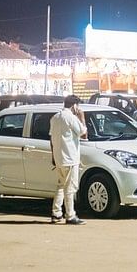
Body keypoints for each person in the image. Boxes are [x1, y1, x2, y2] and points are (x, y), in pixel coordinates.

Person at [49, 95, 88, 225]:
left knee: (61, 185)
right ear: (74, 105)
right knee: (70, 187)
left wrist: (53, 156)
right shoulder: (71, 117)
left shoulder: (55, 118)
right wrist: (82, 117)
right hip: (70, 158)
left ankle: (56, 212)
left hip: (59, 158)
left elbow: (51, 139)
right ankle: (70, 215)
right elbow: (83, 132)